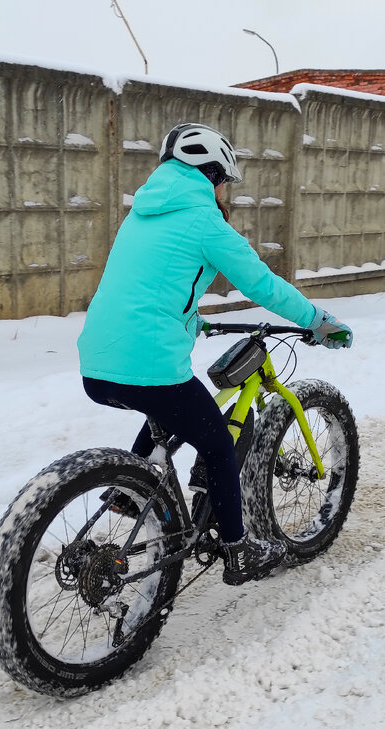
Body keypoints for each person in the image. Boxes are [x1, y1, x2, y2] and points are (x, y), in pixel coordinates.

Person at [77, 123, 353, 586]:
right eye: (226, 182)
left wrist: (192, 321)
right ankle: (237, 549)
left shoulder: (142, 212)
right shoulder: (204, 219)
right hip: (147, 360)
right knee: (218, 443)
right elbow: (261, 284)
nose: (226, 192)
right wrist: (316, 320)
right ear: (212, 176)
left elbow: (146, 287)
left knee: (167, 408)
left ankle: (131, 491)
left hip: (97, 365)